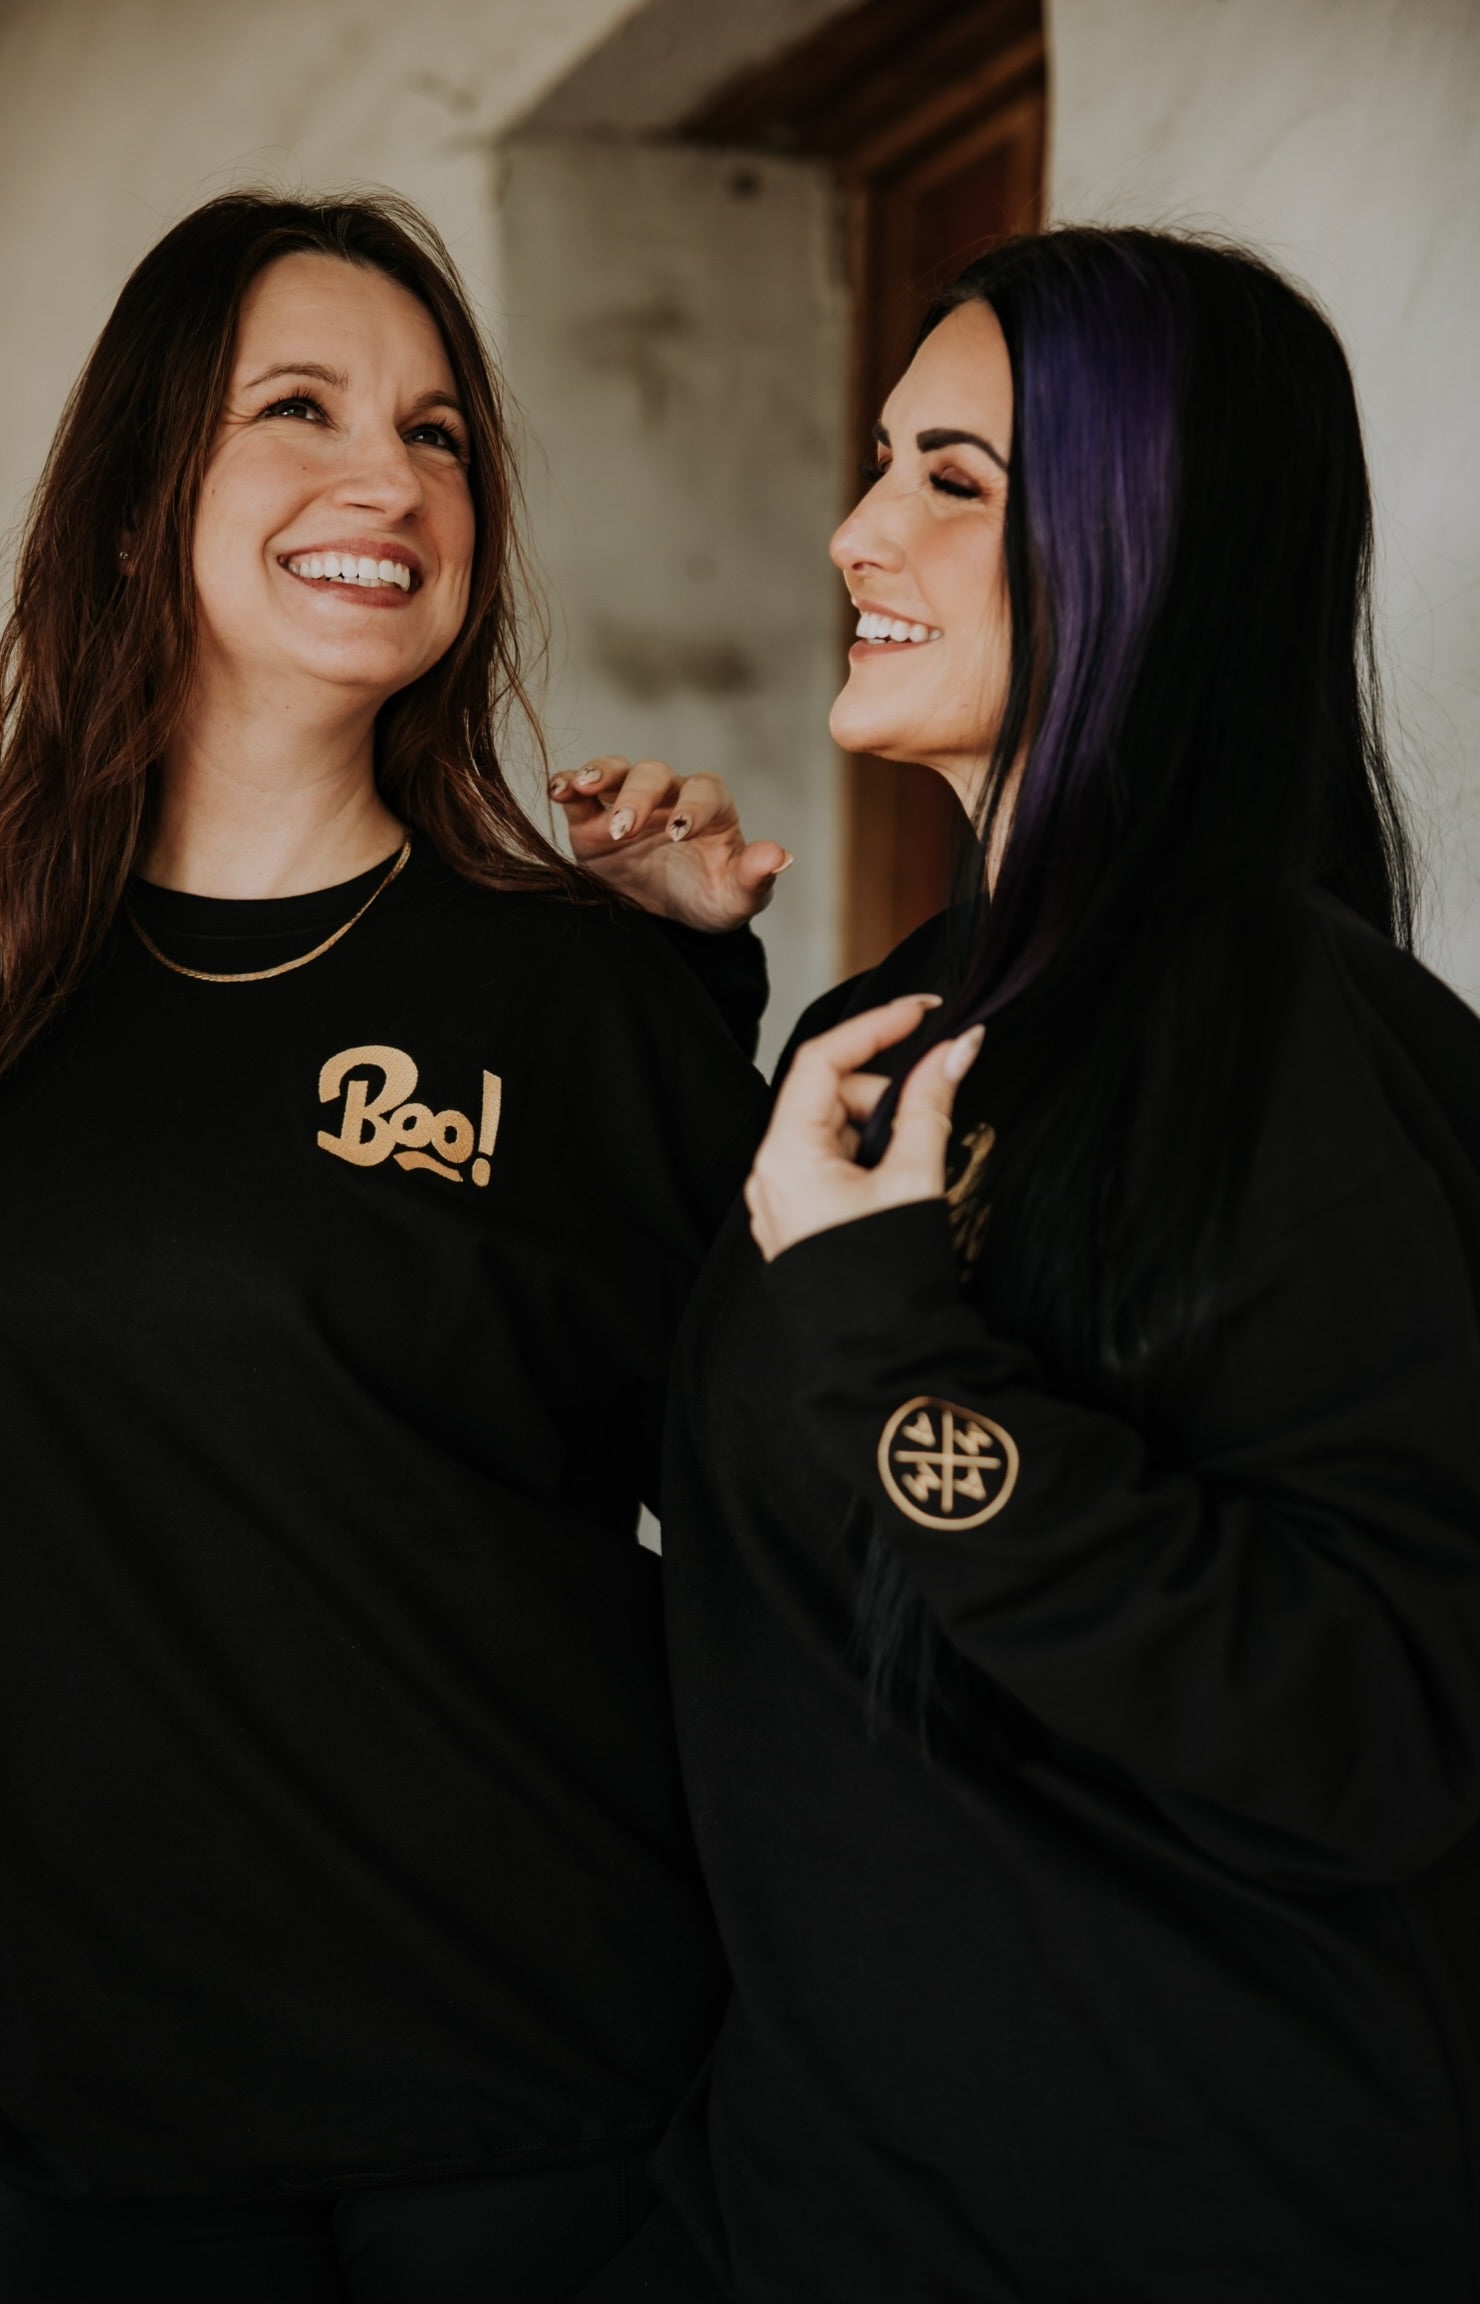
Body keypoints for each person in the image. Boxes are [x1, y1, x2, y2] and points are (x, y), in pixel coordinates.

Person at [564, 229, 1480, 2301]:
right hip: (828, 2206)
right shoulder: (890, 1033)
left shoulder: (1305, 1047)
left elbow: (1386, 1723)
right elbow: (736, 1504)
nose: (854, 526)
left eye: (955, 478)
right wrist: (659, 1004)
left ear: (1155, 540)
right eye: (882, 458)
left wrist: (899, 1355)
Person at [0, 190, 785, 2303]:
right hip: (104, 2121)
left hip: (532, 2112)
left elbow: (794, 1499)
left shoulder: (579, 992)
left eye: (440, 435)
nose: (387, 480)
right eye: (297, 408)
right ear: (144, 495)